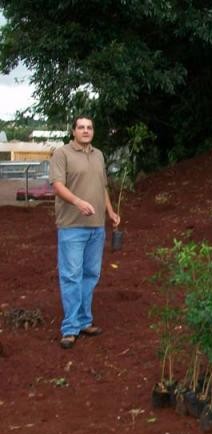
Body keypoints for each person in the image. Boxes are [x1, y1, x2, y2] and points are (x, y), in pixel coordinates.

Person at [49, 115, 120, 349]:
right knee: (71, 275)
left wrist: (110, 212)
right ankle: (69, 328)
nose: (86, 131)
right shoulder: (62, 154)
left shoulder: (98, 155)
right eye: (81, 127)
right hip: (72, 227)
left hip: (96, 226)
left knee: (91, 275)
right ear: (73, 131)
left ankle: (83, 321)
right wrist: (78, 202)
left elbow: (102, 188)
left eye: (89, 127)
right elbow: (58, 186)